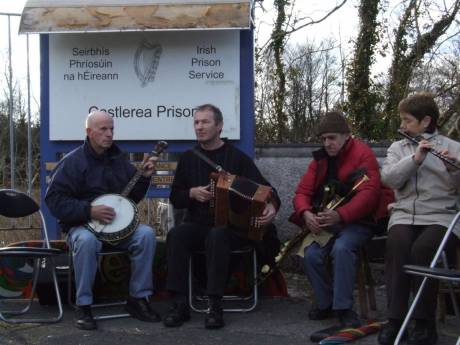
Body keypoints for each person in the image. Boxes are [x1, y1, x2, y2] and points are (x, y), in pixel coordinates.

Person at [163, 104, 281, 329]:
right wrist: (191, 193)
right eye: (196, 122)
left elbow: (267, 190)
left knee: (218, 235)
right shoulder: (188, 158)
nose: (199, 127)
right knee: (177, 234)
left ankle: (214, 305)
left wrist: (272, 208)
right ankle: (179, 304)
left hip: (232, 229)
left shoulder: (237, 158)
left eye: (205, 122)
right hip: (198, 223)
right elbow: (175, 197)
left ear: (219, 126)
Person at [45, 111, 160, 330]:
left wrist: (144, 177)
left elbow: (131, 197)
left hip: (118, 230)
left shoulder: (119, 160)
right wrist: (89, 210)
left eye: (112, 129)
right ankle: (84, 305)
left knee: (146, 234)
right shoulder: (73, 162)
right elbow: (54, 200)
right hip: (83, 226)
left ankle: (138, 299)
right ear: (89, 132)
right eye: (103, 129)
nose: (109, 134)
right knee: (87, 242)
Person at [289, 111, 393, 328]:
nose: (327, 143)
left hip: (361, 221)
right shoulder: (320, 160)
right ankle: (326, 303)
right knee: (310, 254)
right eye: (324, 138)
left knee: (342, 248)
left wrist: (341, 215)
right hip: (331, 221)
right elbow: (302, 193)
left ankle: (344, 308)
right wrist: (306, 213)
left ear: (347, 135)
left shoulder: (363, 154)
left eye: (332, 138)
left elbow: (370, 194)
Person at [378, 92, 460, 345]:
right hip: (404, 214)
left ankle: (424, 324)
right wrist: (414, 160)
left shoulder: (454, 147)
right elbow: (389, 179)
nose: (402, 126)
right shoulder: (397, 148)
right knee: (397, 245)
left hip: (441, 216)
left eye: (407, 120)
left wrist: (453, 169)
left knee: (424, 249)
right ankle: (396, 319)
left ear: (426, 121)